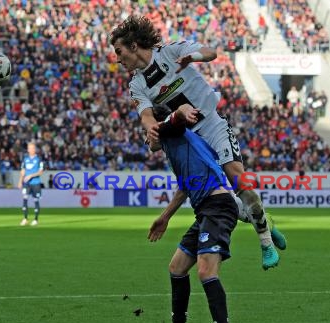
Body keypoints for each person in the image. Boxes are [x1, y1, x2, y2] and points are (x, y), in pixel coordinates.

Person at [111, 16, 286, 270]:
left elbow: (210, 52)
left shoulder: (170, 52)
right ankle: (263, 221)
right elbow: (147, 116)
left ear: (134, 46)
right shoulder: (137, 83)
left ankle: (265, 241)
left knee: (238, 179)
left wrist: (193, 58)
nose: (118, 58)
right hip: (189, 141)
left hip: (212, 124)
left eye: (119, 51)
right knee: (212, 197)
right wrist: (152, 131)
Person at [145, 104, 238, 323]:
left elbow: (177, 118)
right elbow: (185, 187)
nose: (146, 135)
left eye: (148, 129)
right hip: (205, 210)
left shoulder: (174, 131)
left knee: (206, 270)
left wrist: (175, 115)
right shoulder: (176, 146)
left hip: (218, 207)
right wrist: (164, 218)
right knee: (176, 267)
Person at [17, 142, 44, 226]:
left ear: (34, 149)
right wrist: (20, 181)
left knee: (36, 200)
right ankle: (25, 218)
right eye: (29, 148)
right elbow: (23, 170)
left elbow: (40, 172)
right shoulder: (25, 159)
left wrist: (31, 175)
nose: (30, 149)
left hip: (36, 183)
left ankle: (36, 219)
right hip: (26, 184)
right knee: (25, 199)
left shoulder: (39, 159)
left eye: (32, 148)